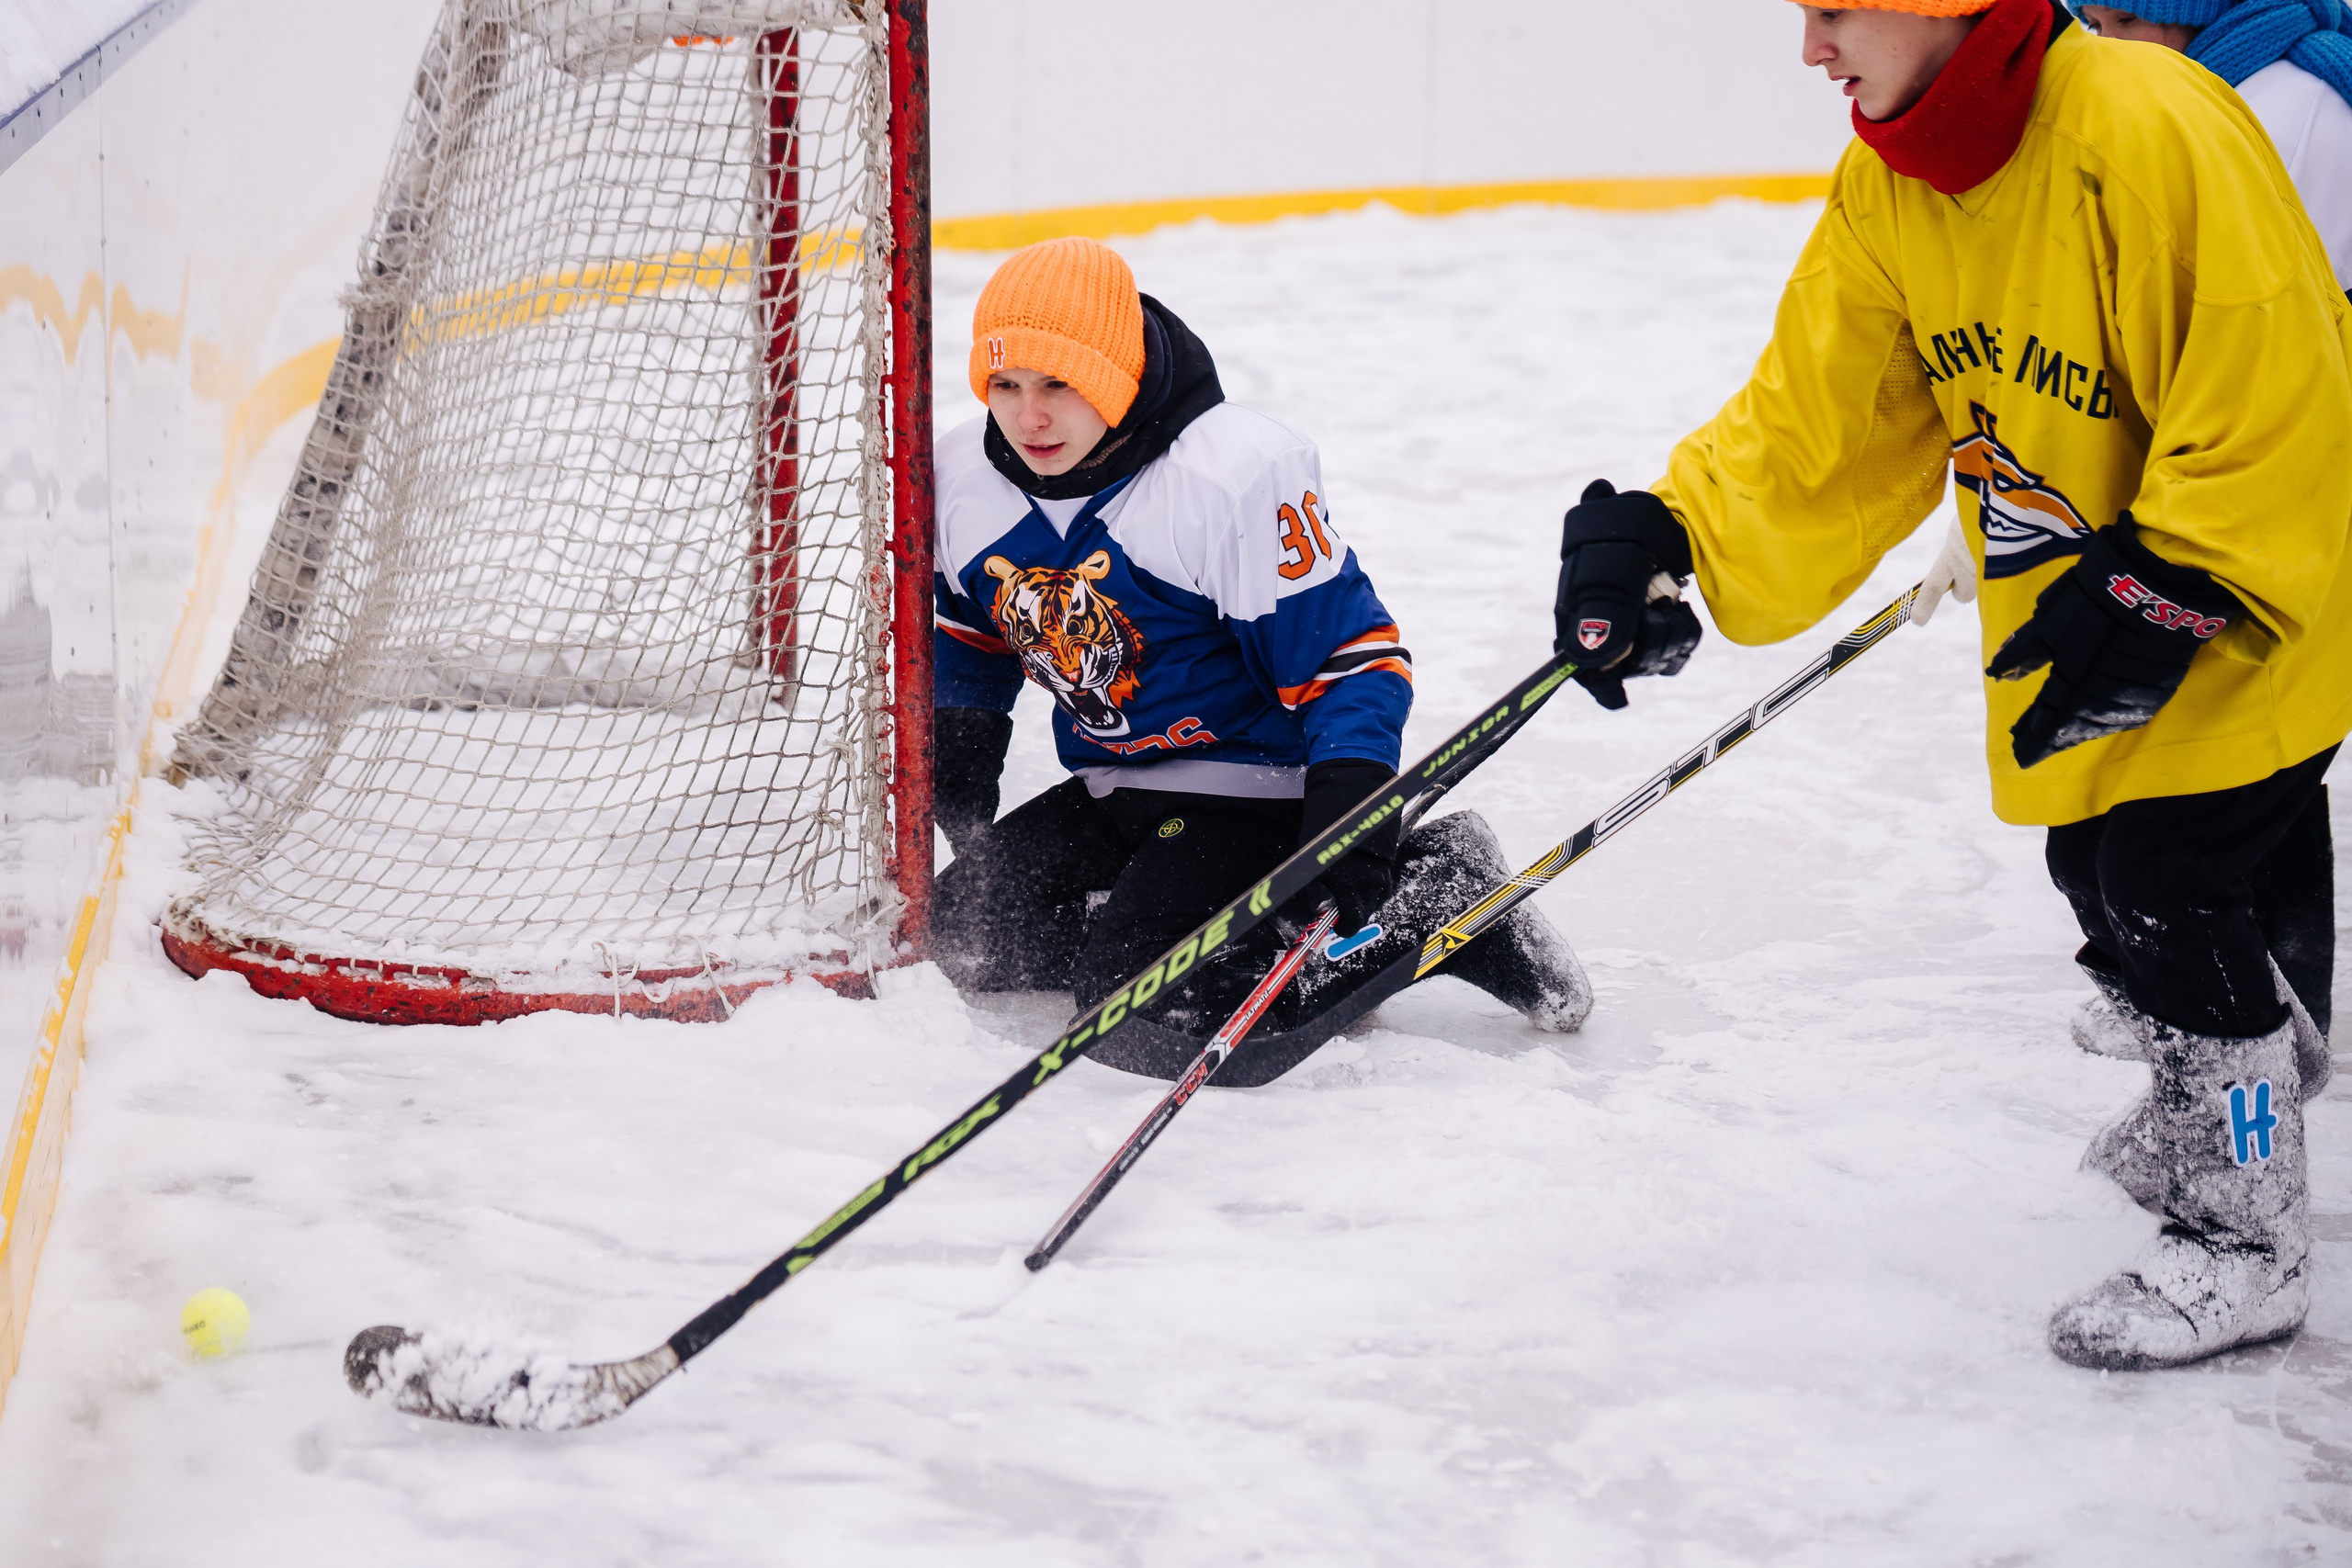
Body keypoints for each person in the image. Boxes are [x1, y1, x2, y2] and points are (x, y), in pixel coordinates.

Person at [1554, 0, 2352, 1370]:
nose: (1811, 51)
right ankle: (2238, 1071)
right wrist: (1670, 530)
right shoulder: (1897, 173)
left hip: (2252, 588)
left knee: (2170, 881)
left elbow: (2281, 369)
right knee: (2095, 869)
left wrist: (2180, 573)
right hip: (2096, 602)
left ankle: (2245, 1231)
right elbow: (1828, 415)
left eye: (1835, 13)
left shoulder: (2148, 122)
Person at [931, 238, 1590, 1082]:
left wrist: (1350, 816)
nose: (1030, 417)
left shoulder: (1227, 474)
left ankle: (1433, 897)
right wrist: (962, 748)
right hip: (1114, 786)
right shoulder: (962, 477)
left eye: (1060, 383)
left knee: (1134, 1006)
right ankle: (1213, 918)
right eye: (1006, 386)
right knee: (964, 939)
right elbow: (972, 629)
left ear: (1119, 375)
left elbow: (1352, 661)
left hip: (1251, 791)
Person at [2073, 2, 2352, 291]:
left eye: (2126, 20)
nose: (2106, 46)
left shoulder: (2277, 117)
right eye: (2095, 25)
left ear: (2196, 16)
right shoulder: (2180, 101)